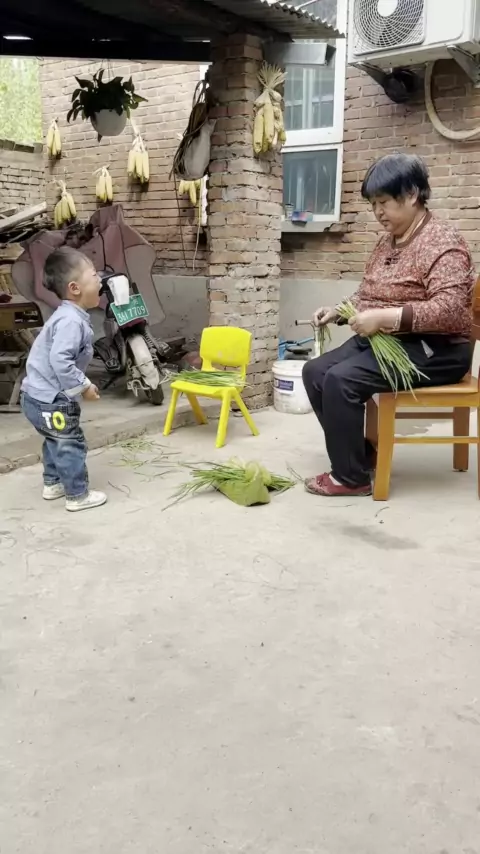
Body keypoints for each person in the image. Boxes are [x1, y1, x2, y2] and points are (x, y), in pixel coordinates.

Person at [302, 152, 475, 497]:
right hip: (387, 340)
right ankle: (360, 456)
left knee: (341, 380)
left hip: (436, 349)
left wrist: (385, 318)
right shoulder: (386, 242)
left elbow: (451, 310)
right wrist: (339, 311)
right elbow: (369, 292)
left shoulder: (443, 242)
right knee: (315, 371)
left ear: (411, 194)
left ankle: (350, 479)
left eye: (384, 202)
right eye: (373, 205)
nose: (378, 212)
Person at [21, 247, 107, 512]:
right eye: (94, 275)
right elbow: (61, 360)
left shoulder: (68, 315)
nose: (100, 279)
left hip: (35, 397)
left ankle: (53, 483)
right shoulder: (71, 321)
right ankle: (77, 495)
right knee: (69, 442)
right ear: (75, 288)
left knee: (54, 438)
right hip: (51, 400)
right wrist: (84, 386)